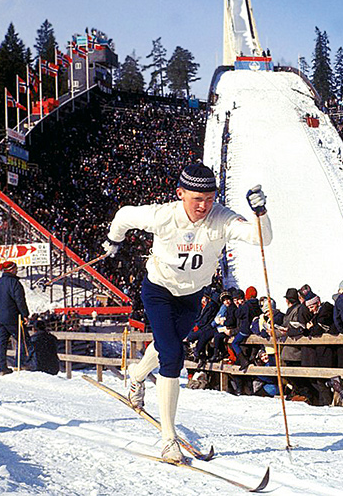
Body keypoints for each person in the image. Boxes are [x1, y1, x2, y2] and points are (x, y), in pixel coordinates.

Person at [103, 162, 270, 462]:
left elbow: (262, 238)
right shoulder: (164, 215)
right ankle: (169, 440)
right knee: (173, 355)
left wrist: (261, 213)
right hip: (159, 292)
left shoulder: (221, 218)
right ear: (181, 193)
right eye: (196, 199)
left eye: (209, 198)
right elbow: (124, 215)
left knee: (168, 346)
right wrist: (114, 240)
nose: (203, 206)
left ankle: (136, 376)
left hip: (192, 296)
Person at [0, 260, 32, 375]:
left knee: (2, 342)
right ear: (12, 269)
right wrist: (25, 315)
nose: (17, 270)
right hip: (13, 317)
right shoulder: (14, 283)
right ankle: (21, 364)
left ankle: (2, 367)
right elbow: (20, 301)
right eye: (16, 268)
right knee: (22, 339)